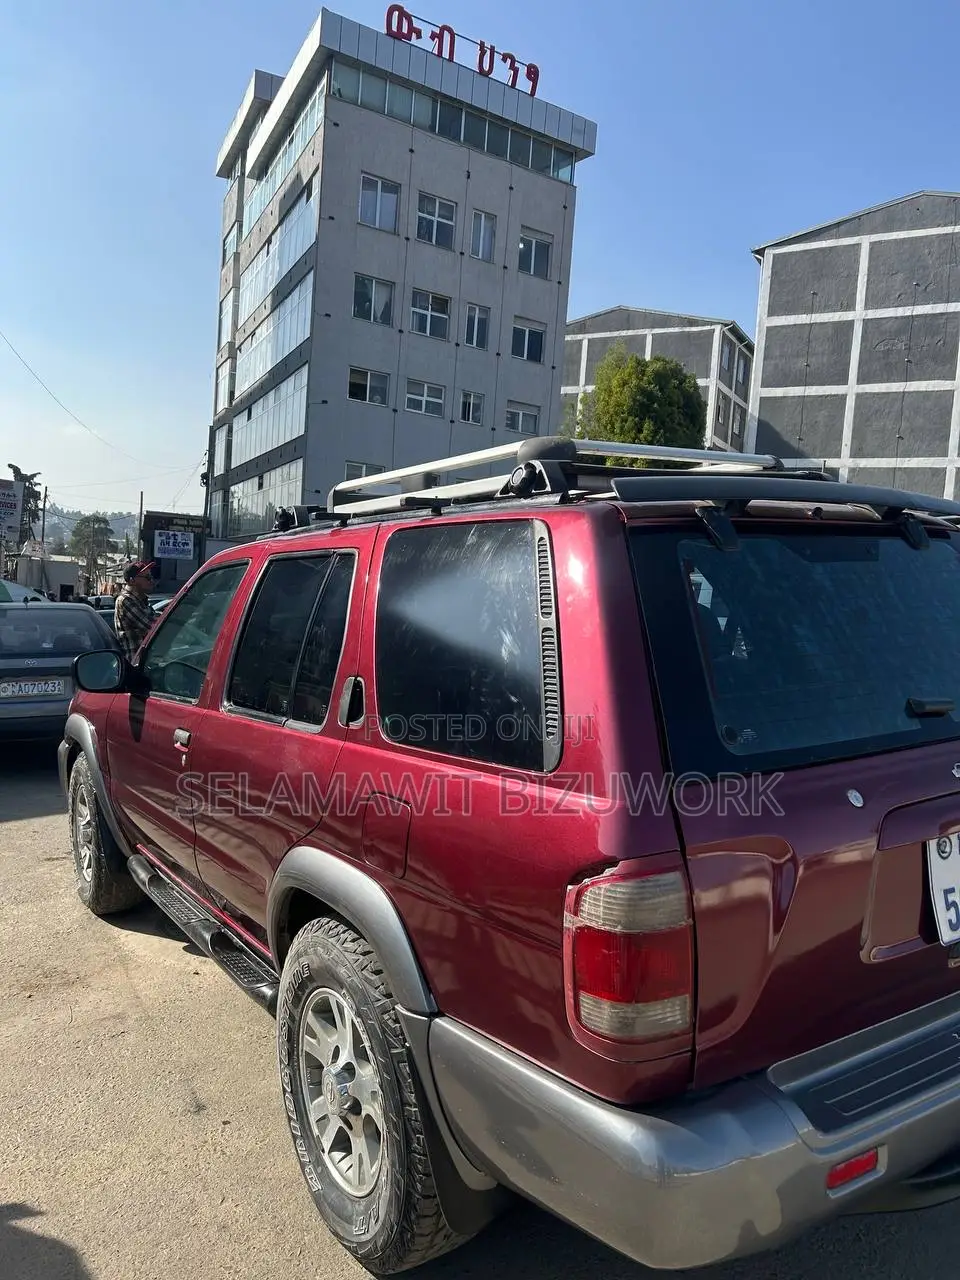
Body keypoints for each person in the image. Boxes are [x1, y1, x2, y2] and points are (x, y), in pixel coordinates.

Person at [115, 561, 156, 661]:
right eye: (147, 577)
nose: (151, 580)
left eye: (150, 576)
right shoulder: (125, 600)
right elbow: (153, 628)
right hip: (136, 664)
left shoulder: (141, 601)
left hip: (147, 662)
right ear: (132, 581)